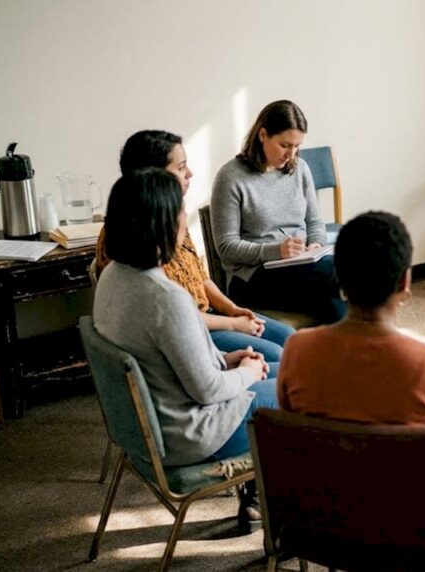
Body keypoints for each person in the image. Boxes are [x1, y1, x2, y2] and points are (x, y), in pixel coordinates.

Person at [277, 211, 425, 529]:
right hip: (412, 522)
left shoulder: (296, 350)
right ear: (405, 281)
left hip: (327, 516)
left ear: (339, 277)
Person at [93, 168, 276, 527]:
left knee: (286, 370)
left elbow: (164, 361)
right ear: (162, 224)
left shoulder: (112, 276)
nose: (184, 220)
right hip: (188, 435)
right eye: (180, 213)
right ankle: (291, 518)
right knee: (299, 390)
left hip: (151, 426)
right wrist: (246, 372)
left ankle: (269, 502)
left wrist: (226, 360)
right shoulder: (165, 298)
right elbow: (207, 390)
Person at [95, 130, 294, 373]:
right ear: (153, 175)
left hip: (207, 316)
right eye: (181, 167)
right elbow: (169, 313)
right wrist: (232, 324)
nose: (190, 173)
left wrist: (232, 308)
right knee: (275, 355)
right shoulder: (134, 236)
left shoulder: (172, 214)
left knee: (289, 337)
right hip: (185, 331)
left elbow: (200, 276)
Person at [210, 100, 345, 325]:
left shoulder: (300, 169)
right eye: (285, 145)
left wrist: (316, 245)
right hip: (252, 277)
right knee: (335, 275)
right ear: (263, 135)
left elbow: (314, 222)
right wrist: (276, 251)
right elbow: (226, 248)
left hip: (303, 265)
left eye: (296, 146)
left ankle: (345, 354)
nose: (291, 154)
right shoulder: (231, 177)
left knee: (337, 296)